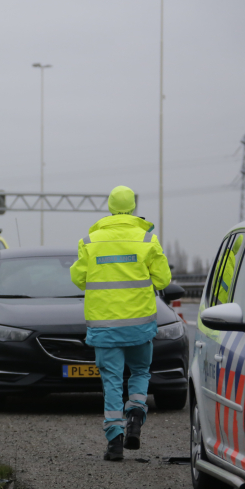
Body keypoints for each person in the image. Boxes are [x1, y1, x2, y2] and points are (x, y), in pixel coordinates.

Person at [70, 186, 171, 461]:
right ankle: (136, 413)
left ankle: (114, 442)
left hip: (104, 327)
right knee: (140, 371)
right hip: (140, 325)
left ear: (111, 207)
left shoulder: (90, 241)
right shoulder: (147, 239)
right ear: (133, 207)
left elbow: (79, 279)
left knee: (112, 381)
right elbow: (163, 280)